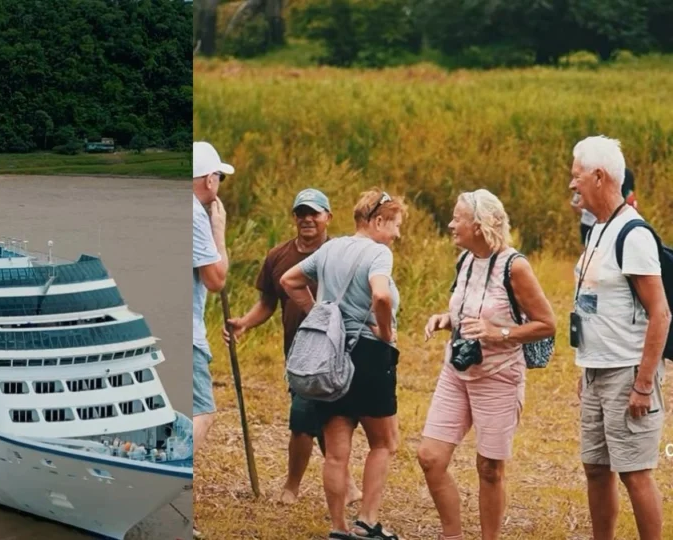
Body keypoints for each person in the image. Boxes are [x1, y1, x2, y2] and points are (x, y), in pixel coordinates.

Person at [418, 189, 556, 540]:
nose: (450, 224)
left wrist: (501, 332)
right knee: (430, 458)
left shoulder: (515, 266)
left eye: (457, 219)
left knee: (490, 469)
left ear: (478, 226)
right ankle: (452, 535)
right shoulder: (465, 260)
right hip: (457, 372)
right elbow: (469, 311)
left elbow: (546, 324)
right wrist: (445, 319)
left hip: (499, 377)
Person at [280, 188, 406, 540]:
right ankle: (367, 521)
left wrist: (319, 314)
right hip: (368, 355)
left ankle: (338, 527)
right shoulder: (379, 253)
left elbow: (289, 280)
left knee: (336, 452)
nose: (397, 233)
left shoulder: (329, 249)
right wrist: (386, 332)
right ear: (378, 221)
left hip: (330, 356)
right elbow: (380, 294)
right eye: (395, 224)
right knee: (385, 442)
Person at [223, 188, 362, 505]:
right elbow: (267, 304)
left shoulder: (342, 254)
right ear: (294, 218)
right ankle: (303, 486)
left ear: (328, 217)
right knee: (305, 420)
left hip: (337, 352)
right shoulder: (278, 256)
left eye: (314, 213)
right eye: (301, 213)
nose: (307, 219)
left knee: (326, 419)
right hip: (299, 354)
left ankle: (326, 486)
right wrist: (244, 322)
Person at [569, 135, 669, 540]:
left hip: (628, 373)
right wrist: (588, 365)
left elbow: (660, 313)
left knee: (634, 472)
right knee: (595, 467)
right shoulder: (597, 230)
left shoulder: (634, 234)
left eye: (576, 176)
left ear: (598, 175)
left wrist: (644, 384)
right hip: (596, 369)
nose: (572, 184)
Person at [192, 141, 232, 537]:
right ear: (209, 178)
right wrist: (218, 232)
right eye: (219, 175)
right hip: (189, 335)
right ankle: (172, 477)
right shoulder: (195, 215)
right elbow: (217, 280)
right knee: (203, 411)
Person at [571, 167, 638, 245]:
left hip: (590, 224)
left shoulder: (590, 180)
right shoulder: (625, 176)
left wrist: (585, 213)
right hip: (611, 225)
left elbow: (574, 204)